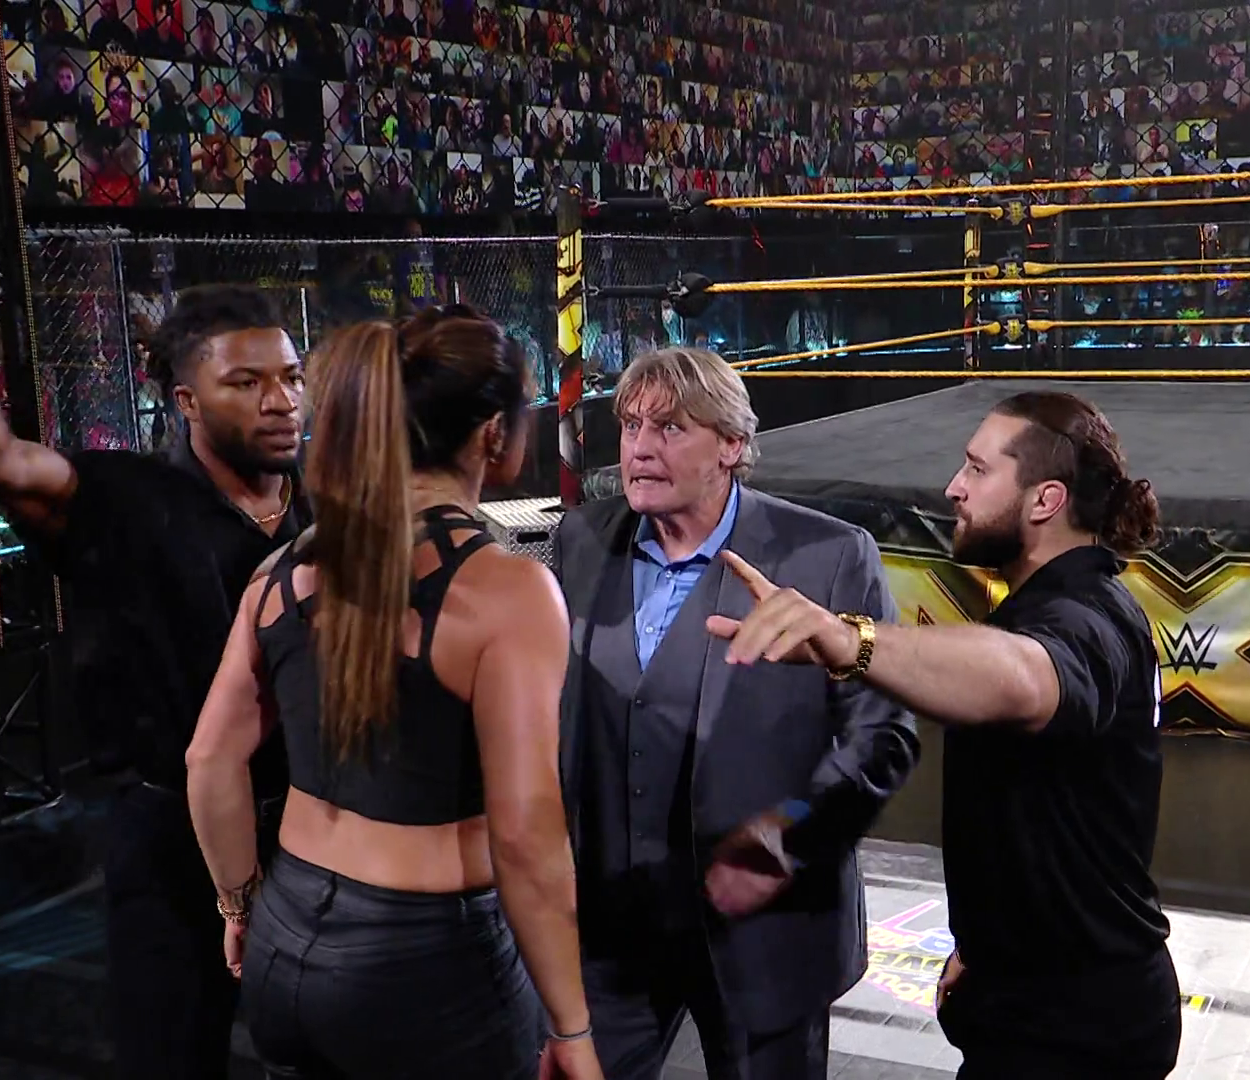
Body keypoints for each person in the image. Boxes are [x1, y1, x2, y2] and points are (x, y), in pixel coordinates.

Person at [0, 284, 308, 1079]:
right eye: (247, 382)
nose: (281, 401)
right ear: (187, 401)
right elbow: (0, 462)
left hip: (314, 820)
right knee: (172, 1052)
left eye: (292, 377)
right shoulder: (124, 497)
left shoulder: (331, 503)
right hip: (169, 837)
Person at [707, 391, 1180, 1079]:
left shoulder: (1088, 616)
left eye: (978, 470)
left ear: (1045, 500)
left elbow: (1026, 678)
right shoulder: (1049, 605)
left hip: (1077, 1031)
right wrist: (984, 946)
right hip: (1041, 1000)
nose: (954, 488)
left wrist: (851, 641)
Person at [185, 307, 601, 1079]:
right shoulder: (508, 592)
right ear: (493, 434)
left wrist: (237, 907)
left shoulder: (283, 571)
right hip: (427, 968)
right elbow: (525, 837)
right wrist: (571, 1028)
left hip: (285, 945)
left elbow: (209, 760)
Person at [552, 346, 919, 1080]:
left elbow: (882, 737)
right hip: (610, 933)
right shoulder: (582, 542)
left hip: (765, 932)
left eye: (670, 428)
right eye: (631, 426)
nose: (641, 449)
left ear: (731, 446)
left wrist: (787, 840)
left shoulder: (827, 555)